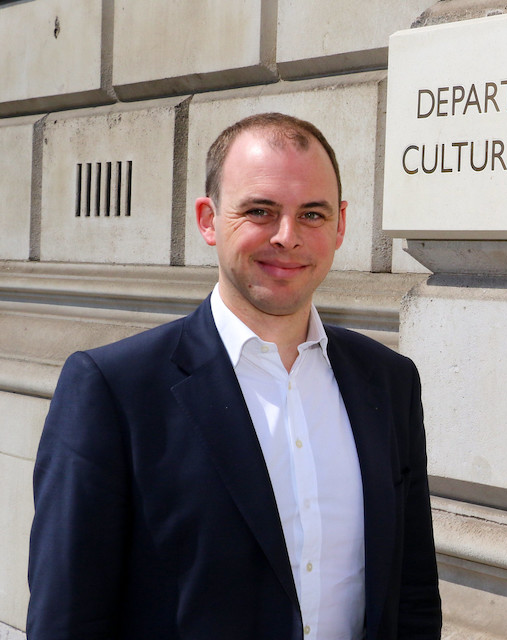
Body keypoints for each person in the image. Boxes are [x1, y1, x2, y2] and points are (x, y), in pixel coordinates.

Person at [27, 113, 441, 640]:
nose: (287, 237)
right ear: (208, 219)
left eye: (311, 214)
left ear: (340, 225)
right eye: (260, 211)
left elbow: (412, 593)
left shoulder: (388, 382)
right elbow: (68, 620)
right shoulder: (114, 391)